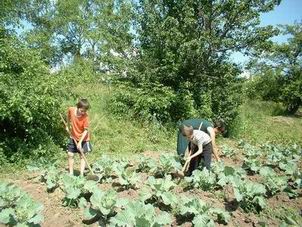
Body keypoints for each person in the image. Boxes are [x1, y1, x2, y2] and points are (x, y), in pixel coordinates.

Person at [66, 98, 92, 176]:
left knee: (82, 156)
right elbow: (68, 117)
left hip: (83, 138)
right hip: (73, 136)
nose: (83, 113)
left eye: (85, 111)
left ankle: (81, 174)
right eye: (82, 110)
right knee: (70, 154)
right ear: (78, 107)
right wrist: (68, 126)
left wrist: (80, 142)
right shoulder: (71, 109)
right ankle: (71, 173)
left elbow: (86, 130)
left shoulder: (85, 117)